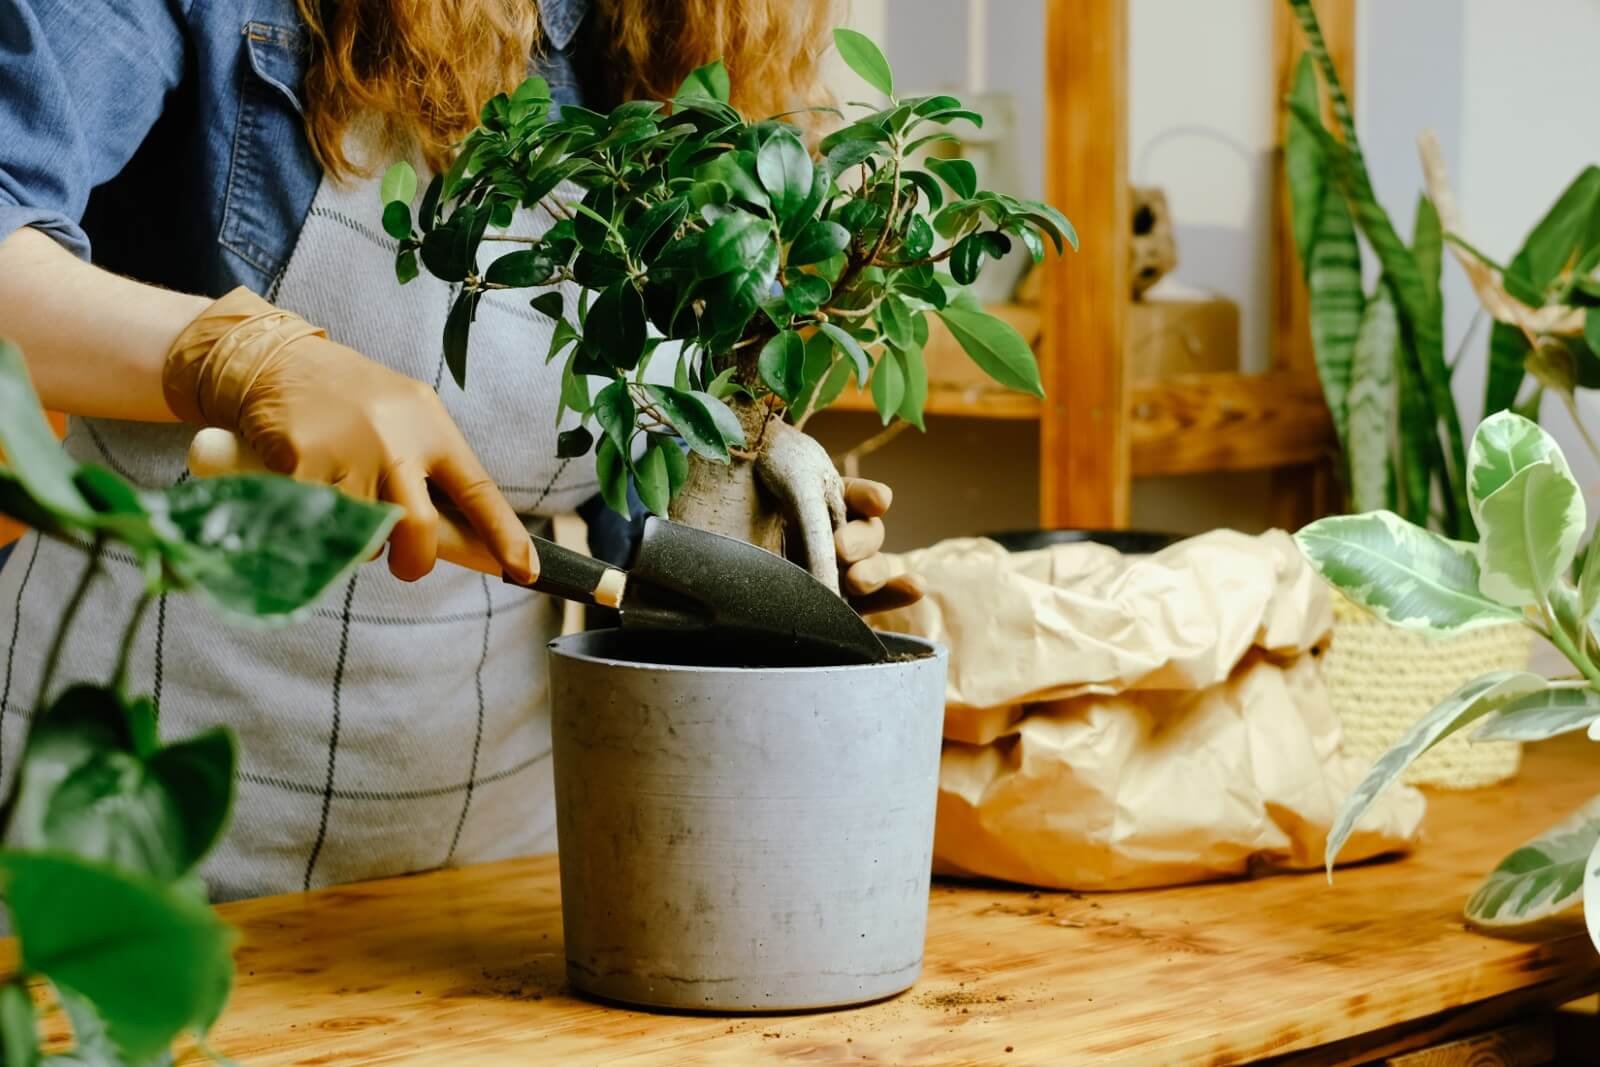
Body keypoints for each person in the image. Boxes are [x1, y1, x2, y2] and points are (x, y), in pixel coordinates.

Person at [0, 0, 918, 900]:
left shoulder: (698, 48)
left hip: (486, 873)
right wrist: (238, 356)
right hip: (118, 842)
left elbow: (635, 505)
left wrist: (755, 546)